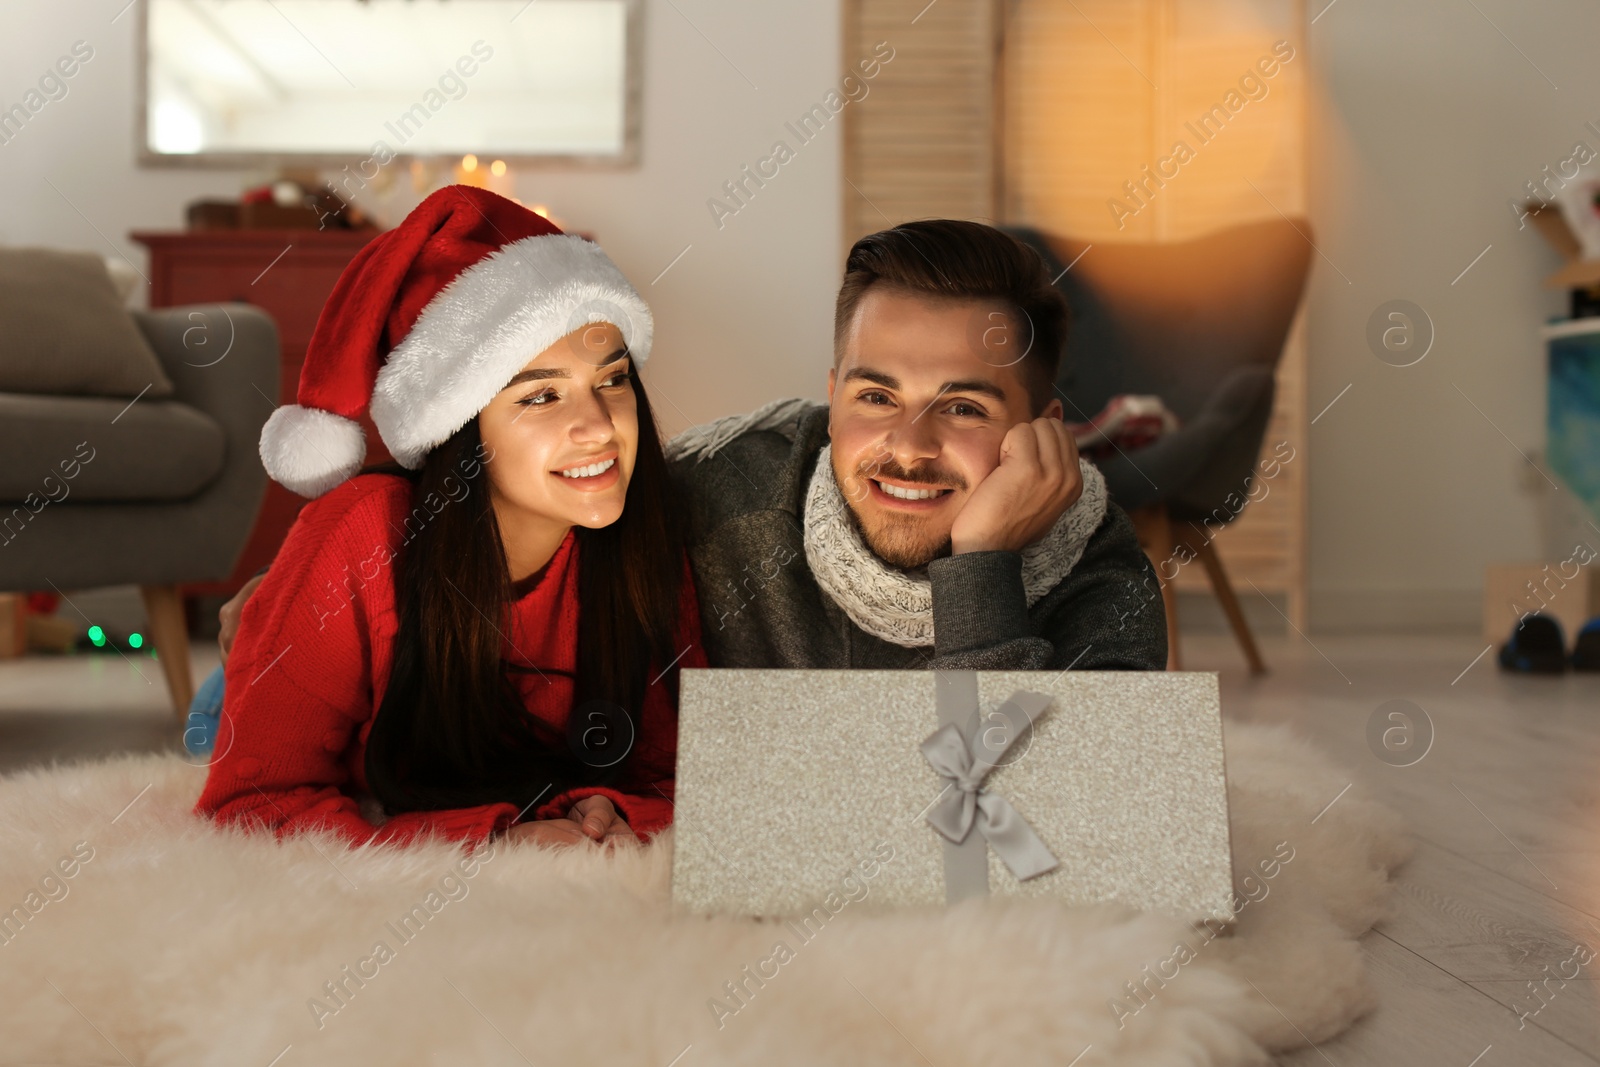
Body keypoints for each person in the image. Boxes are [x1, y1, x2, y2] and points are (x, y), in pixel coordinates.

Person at [217, 220, 1162, 699]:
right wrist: (306, 593)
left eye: (962, 406)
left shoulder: (1097, 567)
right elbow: (531, 511)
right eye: (876, 397)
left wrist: (986, 569)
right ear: (832, 391)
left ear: (1042, 426)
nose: (907, 447)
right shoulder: (726, 493)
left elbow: (1065, 828)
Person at [195, 185, 704, 850]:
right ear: (461, 430)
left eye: (611, 381)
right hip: (277, 690)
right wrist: (495, 838)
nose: (600, 427)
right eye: (543, 395)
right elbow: (251, 806)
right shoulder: (358, 534)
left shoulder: (649, 534)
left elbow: (677, 778)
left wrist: (608, 804)